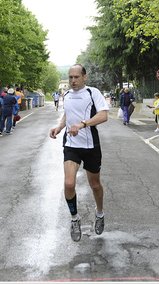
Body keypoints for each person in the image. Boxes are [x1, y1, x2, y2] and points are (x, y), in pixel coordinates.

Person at [49, 64, 109, 242]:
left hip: (91, 146)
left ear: (84, 77)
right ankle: (75, 219)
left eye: (76, 77)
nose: (73, 81)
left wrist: (82, 124)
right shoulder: (66, 95)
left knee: (95, 185)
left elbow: (103, 115)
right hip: (71, 144)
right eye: (70, 77)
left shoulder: (93, 93)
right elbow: (68, 114)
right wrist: (60, 127)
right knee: (69, 184)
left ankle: (100, 213)